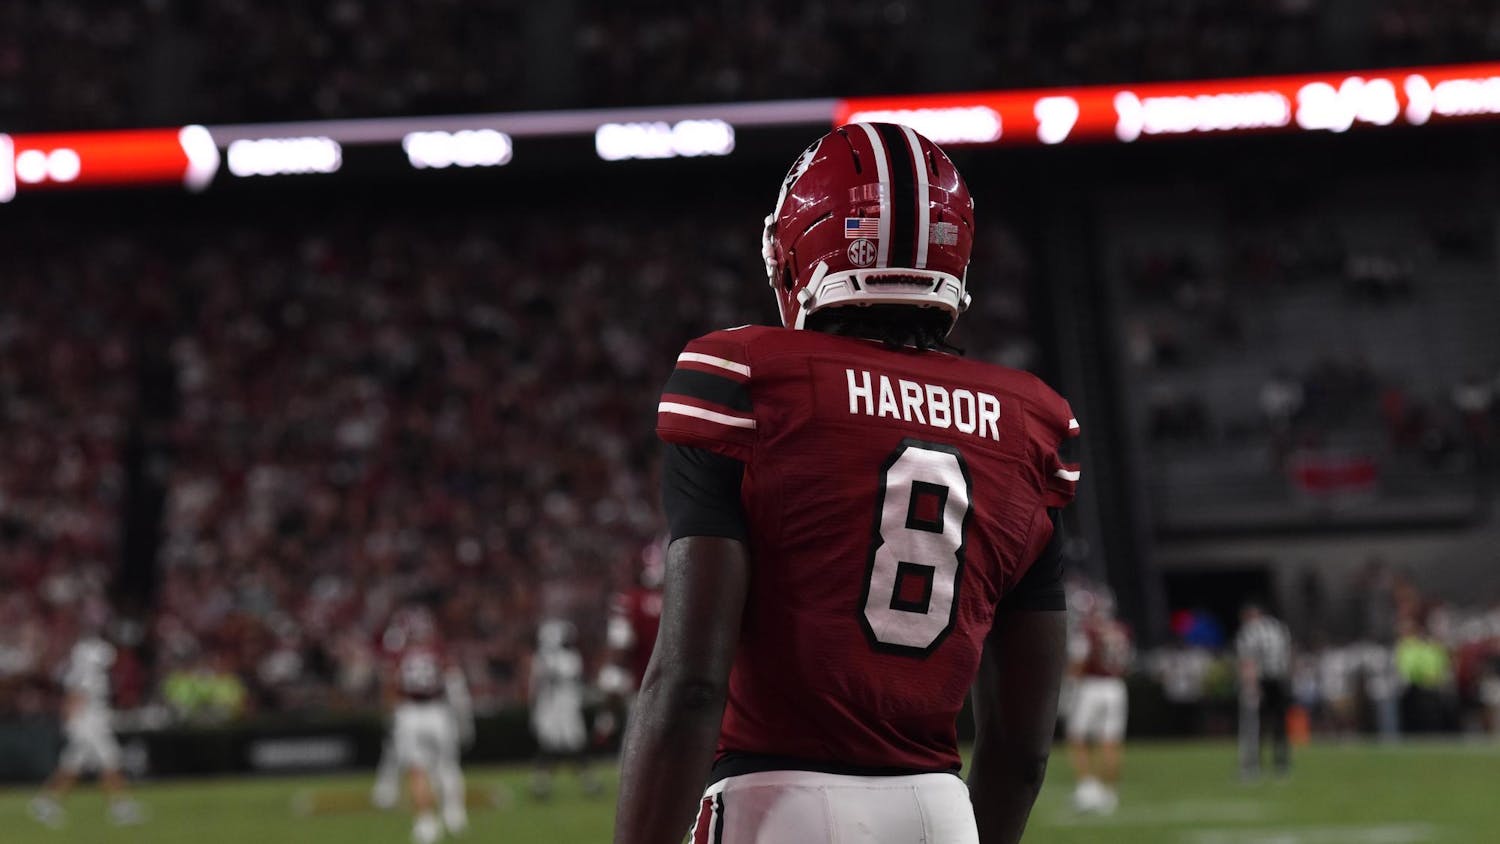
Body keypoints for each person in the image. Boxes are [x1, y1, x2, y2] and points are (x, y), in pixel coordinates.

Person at [614, 123, 1081, 844]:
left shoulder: (744, 381)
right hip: (941, 810)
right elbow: (1020, 752)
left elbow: (690, 686)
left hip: (776, 800)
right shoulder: (1032, 424)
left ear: (799, 251)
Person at [29, 633, 145, 828]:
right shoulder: (86, 674)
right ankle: (121, 807)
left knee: (72, 765)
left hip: (93, 721)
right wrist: (73, 726)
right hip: (88, 724)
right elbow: (73, 700)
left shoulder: (86, 672)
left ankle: (47, 801)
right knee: (110, 759)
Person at [382, 607, 469, 844]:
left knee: (417, 770)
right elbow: (454, 683)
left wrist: (395, 713)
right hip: (438, 712)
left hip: (410, 713)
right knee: (448, 765)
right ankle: (454, 814)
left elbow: (392, 685)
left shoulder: (400, 654)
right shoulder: (439, 651)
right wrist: (462, 718)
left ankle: (426, 824)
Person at [1066, 595, 1132, 814]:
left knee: (1077, 737)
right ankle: (1110, 793)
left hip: (1092, 686)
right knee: (1110, 741)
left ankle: (1087, 788)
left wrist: (1071, 683)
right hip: (1117, 687)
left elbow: (1079, 661)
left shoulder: (1087, 631)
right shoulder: (1121, 631)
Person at [530, 619, 603, 798]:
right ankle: (542, 784)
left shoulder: (570, 658)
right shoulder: (543, 657)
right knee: (550, 746)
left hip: (567, 706)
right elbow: (541, 681)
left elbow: (565, 677)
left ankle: (587, 782)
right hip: (552, 707)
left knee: (575, 744)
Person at [1236, 603, 1293, 779]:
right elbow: (1288, 654)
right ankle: (1281, 763)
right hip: (1279, 678)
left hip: (1260, 679)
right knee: (1279, 722)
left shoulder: (1249, 630)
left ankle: (1253, 764)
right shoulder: (1278, 627)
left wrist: (1251, 685)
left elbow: (1248, 661)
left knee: (1254, 723)